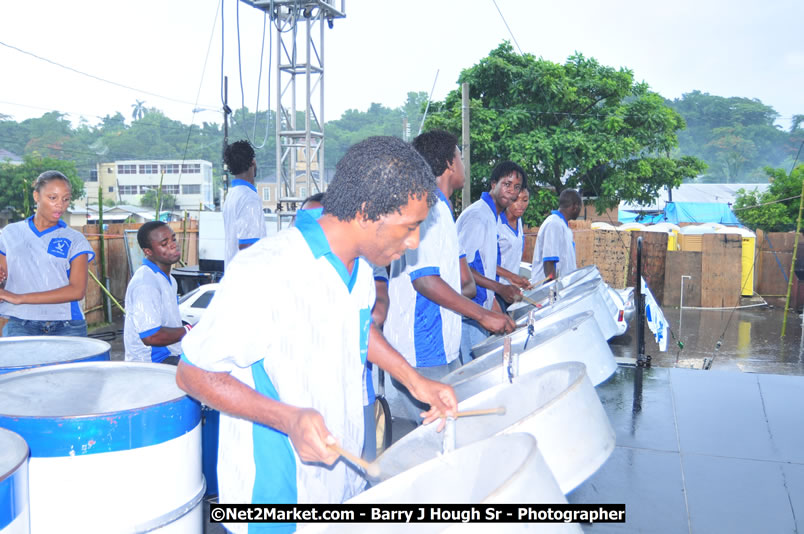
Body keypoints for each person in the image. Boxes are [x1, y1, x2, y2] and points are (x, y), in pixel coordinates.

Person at [176, 136, 457, 533]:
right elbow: (193, 373)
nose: (413, 243)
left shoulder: (358, 266)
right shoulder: (266, 270)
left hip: (339, 482)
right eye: (409, 228)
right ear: (366, 212)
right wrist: (288, 419)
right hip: (280, 502)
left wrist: (415, 380)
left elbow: (359, 330)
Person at [384, 130, 515, 422]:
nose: (463, 164)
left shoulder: (442, 209)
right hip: (424, 346)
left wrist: (479, 295)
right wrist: (483, 315)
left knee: (452, 433)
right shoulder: (428, 208)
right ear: (449, 163)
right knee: (444, 438)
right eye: (460, 156)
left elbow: (462, 281)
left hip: (439, 344)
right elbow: (426, 281)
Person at [0, 170, 95, 337]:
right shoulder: (9, 233)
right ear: (36, 196)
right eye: (53, 198)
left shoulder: (75, 240)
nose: (60, 204)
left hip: (67, 324)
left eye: (65, 199)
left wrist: (20, 298)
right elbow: (3, 276)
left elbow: (77, 291)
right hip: (20, 322)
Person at [456, 161, 526, 363]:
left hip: (479, 311)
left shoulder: (490, 215)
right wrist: (500, 289)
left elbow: (483, 267)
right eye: (506, 184)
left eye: (517, 187)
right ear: (493, 184)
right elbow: (464, 269)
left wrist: (494, 304)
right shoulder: (478, 216)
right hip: (468, 314)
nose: (511, 191)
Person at [123, 221, 189, 364]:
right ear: (148, 251)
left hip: (171, 354)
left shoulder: (169, 279)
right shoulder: (146, 283)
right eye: (164, 244)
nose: (173, 245)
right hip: (152, 363)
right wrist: (189, 330)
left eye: (173, 239)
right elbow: (151, 336)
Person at [222, 140, 266, 270]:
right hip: (247, 280)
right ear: (253, 161)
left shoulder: (232, 195)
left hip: (234, 276)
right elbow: (249, 246)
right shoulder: (249, 198)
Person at [531, 189, 583, 282]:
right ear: (575, 206)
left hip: (563, 290)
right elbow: (549, 262)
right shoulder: (554, 224)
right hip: (549, 292)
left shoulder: (564, 227)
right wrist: (554, 291)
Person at [496, 184, 533, 311]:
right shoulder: (496, 223)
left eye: (525, 200)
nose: (521, 204)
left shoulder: (519, 221)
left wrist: (518, 280)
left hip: (511, 291)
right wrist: (511, 276)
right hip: (495, 291)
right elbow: (485, 262)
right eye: (516, 199)